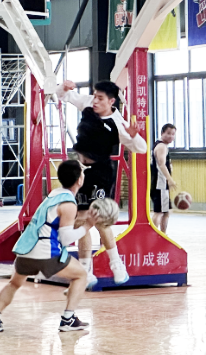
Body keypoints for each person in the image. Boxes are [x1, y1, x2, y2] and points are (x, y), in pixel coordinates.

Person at [0, 160, 97, 333]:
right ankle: (68, 319)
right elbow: (66, 239)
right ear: (80, 180)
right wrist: (87, 226)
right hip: (46, 253)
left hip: (25, 252)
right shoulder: (69, 204)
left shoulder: (53, 195)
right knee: (81, 275)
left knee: (13, 284)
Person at [58, 79, 147, 286]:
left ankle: (117, 265)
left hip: (101, 172)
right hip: (81, 171)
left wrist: (134, 137)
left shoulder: (118, 123)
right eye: (94, 96)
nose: (95, 101)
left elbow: (141, 148)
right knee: (80, 219)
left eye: (100, 98)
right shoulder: (88, 103)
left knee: (98, 219)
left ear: (111, 101)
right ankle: (86, 270)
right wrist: (64, 87)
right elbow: (63, 96)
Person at [150, 123, 177, 233]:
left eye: (173, 134)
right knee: (159, 212)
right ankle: (155, 235)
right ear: (162, 133)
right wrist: (169, 179)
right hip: (160, 184)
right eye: (168, 133)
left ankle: (162, 235)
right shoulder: (161, 146)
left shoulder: (159, 145)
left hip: (158, 183)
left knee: (165, 212)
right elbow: (161, 164)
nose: (171, 136)